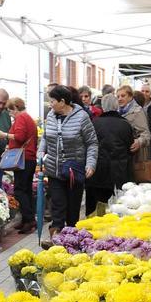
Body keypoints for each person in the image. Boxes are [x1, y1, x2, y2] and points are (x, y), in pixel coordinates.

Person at [39, 85, 97, 243]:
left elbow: (92, 142)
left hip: (74, 170)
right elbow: (45, 137)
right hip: (54, 169)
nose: (50, 105)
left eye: (52, 101)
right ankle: (55, 239)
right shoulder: (50, 116)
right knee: (57, 206)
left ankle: (72, 241)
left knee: (72, 211)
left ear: (62, 102)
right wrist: (40, 155)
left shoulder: (81, 117)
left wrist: (90, 164)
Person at [0, 97, 37, 234]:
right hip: (29, 158)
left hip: (24, 159)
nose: (9, 113)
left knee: (20, 190)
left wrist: (4, 135)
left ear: (16, 108)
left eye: (10, 110)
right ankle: (26, 219)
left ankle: (29, 220)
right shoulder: (27, 117)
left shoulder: (21, 118)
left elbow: (19, 137)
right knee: (26, 190)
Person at [87, 93, 133, 215]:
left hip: (98, 171)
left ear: (103, 107)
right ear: (117, 106)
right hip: (120, 171)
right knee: (117, 207)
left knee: (98, 206)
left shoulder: (94, 123)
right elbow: (130, 147)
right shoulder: (125, 124)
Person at [115, 84, 151, 169]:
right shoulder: (118, 111)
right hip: (123, 155)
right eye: (118, 96)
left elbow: (146, 134)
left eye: (123, 96)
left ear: (130, 97)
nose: (120, 99)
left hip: (136, 156)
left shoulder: (137, 112)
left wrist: (139, 142)